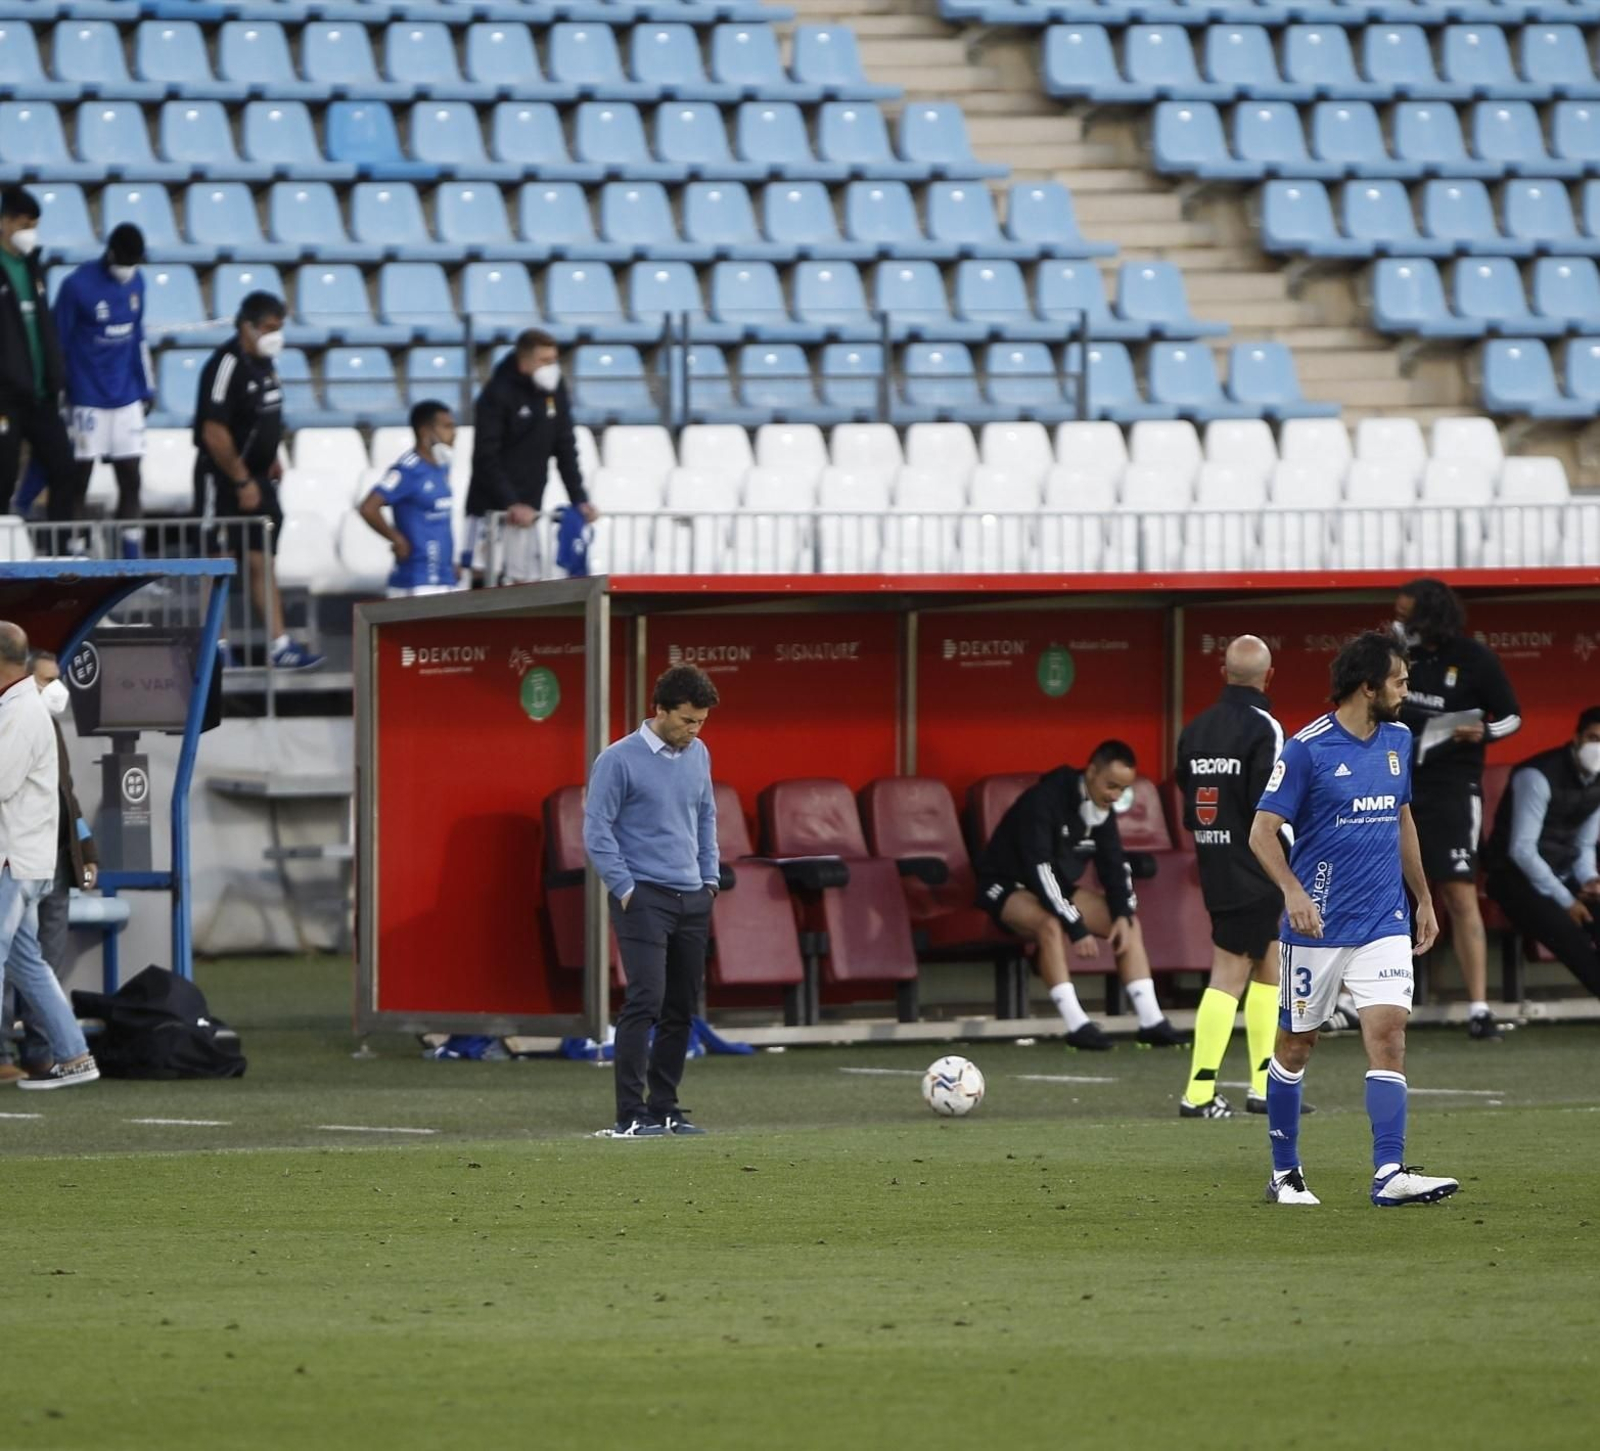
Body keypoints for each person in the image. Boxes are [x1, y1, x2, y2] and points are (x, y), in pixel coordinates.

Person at [1249, 631, 1455, 1208]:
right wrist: (1292, 891)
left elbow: (1402, 820)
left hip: (1383, 919)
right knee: (1296, 1044)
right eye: (1399, 681)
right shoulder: (1306, 749)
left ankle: (1389, 1174)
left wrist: (1424, 899)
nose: (1407, 691)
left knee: (1389, 1034)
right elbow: (1260, 833)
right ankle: (1285, 1174)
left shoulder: (1398, 738)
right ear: (1368, 686)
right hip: (1316, 926)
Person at [973, 740, 1189, 1051]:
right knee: (1050, 924)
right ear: (1091, 772)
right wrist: (1075, 925)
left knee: (1127, 924)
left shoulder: (1101, 809)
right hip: (1005, 883)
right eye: (1110, 786)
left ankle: (1151, 1022)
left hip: (1054, 885)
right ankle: (1077, 1025)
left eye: (1121, 790)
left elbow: (1114, 864)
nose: (1114, 796)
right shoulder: (1043, 801)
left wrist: (1123, 912)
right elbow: (1040, 870)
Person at [1173, 635, 1308, 1120]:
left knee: (1270, 966)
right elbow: (1273, 806)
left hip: (1214, 861)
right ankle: (1199, 1093)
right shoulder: (1265, 729)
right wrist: (1296, 867)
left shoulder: (1196, 729)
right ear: (1269, 677)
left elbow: (1184, 788)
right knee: (1230, 973)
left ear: (1223, 672)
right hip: (1256, 866)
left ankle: (1262, 1085)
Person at [583, 664, 720, 1138]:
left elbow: (706, 817)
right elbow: (596, 830)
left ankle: (665, 1108)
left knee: (682, 1005)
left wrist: (710, 881)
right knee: (646, 999)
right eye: (687, 720)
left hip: (692, 897)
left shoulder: (699, 753)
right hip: (643, 898)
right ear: (659, 710)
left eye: (700, 721)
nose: (694, 730)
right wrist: (624, 888)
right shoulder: (617, 760)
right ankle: (629, 1116)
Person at [1394, 577, 1522, 1040]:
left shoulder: (1473, 659)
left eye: (1407, 612)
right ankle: (1373, 998)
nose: (1400, 619)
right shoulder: (1397, 655)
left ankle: (1479, 1007)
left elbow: (1511, 716)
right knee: (1388, 889)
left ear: (1429, 614)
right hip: (1398, 782)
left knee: (1459, 893)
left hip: (1452, 785)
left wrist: (1482, 732)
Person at [192, 291, 321, 670]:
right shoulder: (225, 365)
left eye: (280, 328)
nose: (275, 335)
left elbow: (266, 418)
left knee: (261, 559)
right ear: (246, 326)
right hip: (224, 480)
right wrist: (241, 480)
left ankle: (280, 644)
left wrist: (273, 456)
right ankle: (215, 647)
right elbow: (213, 430)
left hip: (261, 478)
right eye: (269, 328)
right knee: (218, 560)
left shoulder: (266, 365)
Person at [0, 621, 100, 1090]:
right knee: (27, 964)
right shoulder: (18, 707)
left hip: (13, 863)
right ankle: (74, 1055)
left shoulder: (22, 712)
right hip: (25, 860)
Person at [1484, 707, 1600, 1001]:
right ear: (1576, 739)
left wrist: (1589, 880)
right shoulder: (1537, 776)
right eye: (1593, 738)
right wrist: (1567, 900)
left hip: (1560, 874)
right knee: (1569, 934)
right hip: (1512, 878)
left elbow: (1585, 845)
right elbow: (1521, 851)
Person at [465, 329, 598, 586]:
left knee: (525, 580)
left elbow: (565, 447)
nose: (552, 368)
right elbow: (485, 456)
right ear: (524, 361)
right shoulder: (496, 394)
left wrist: (579, 499)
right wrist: (511, 502)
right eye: (544, 361)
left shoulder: (554, 390)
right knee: (483, 579)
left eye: (554, 361)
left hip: (529, 506)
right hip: (489, 508)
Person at [54, 221, 155, 534]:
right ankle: (75, 555)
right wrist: (60, 390)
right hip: (87, 396)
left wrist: (146, 387)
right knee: (79, 478)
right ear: (110, 254)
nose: (129, 269)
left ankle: (132, 556)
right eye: (125, 262)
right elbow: (58, 340)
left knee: (131, 476)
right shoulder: (77, 286)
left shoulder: (137, 283)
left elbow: (138, 337)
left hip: (126, 395)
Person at [0, 187, 76, 520]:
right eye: (26, 224)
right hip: (5, 396)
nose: (31, 232)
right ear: (6, 222)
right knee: (1, 479)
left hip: (41, 394)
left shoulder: (33, 268)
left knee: (65, 469)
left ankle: (59, 555)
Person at [357, 400, 460, 598]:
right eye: (447, 426)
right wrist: (396, 538)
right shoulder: (407, 470)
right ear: (425, 432)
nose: (454, 433)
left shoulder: (442, 466)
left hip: (445, 577)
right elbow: (368, 508)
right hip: (416, 580)